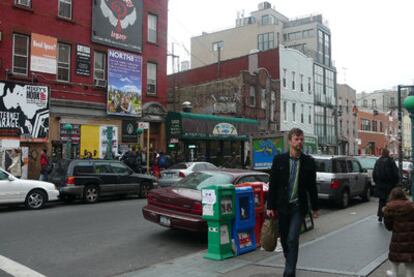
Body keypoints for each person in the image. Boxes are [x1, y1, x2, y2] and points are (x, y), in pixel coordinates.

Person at [266, 128, 319, 277]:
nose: (299, 142)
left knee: (292, 238)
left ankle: (289, 272)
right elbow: (273, 184)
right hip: (282, 206)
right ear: (290, 141)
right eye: (296, 139)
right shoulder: (279, 160)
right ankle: (289, 260)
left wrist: (315, 208)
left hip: (298, 207)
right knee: (284, 239)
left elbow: (312, 187)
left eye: (301, 139)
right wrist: (270, 206)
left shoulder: (308, 162)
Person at [383, 187, 414, 277]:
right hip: (411, 238)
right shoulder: (411, 206)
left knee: (395, 256)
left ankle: (394, 272)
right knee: (410, 258)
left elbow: (388, 226)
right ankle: (409, 274)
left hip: (397, 238)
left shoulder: (389, 207)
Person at [373, 148, 399, 223]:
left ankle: (380, 215)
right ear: (387, 154)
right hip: (390, 185)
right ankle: (389, 216)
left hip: (380, 185)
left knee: (381, 200)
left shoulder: (378, 161)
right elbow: (395, 173)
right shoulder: (391, 161)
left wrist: (377, 182)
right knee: (390, 200)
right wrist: (395, 183)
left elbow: (374, 174)